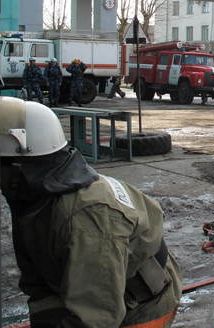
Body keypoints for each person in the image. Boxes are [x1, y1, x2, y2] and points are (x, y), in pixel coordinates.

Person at [0, 97, 182, 327]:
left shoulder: (89, 218)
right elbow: (38, 284)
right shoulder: (32, 197)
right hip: (97, 291)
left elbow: (97, 318)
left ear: (18, 166)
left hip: (143, 305)